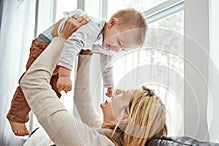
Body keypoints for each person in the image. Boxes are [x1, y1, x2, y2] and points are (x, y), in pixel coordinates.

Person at [3, 15, 167, 146]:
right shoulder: (105, 141)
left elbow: (31, 81)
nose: (117, 90)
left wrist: (61, 38)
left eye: (123, 94)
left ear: (124, 119)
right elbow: (82, 98)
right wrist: (85, 51)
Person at [6, 8, 148, 136]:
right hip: (45, 45)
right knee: (31, 82)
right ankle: (16, 117)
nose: (117, 49)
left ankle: (36, 115)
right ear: (111, 24)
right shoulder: (92, 28)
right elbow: (72, 43)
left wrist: (109, 85)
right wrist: (65, 75)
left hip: (61, 53)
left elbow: (107, 64)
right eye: (119, 42)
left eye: (122, 49)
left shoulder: (109, 45)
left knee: (53, 90)